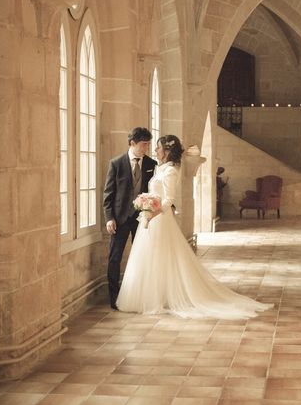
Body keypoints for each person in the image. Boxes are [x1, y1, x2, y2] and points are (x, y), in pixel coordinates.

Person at [116, 135, 272, 319]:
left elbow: (168, 200)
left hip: (159, 220)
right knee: (150, 258)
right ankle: (151, 296)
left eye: (158, 148)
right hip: (149, 219)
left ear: (166, 151)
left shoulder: (170, 171)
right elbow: (155, 194)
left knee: (162, 257)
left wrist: (152, 214)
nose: (155, 151)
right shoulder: (160, 169)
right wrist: (145, 205)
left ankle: (161, 298)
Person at [103, 127, 158, 310]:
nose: (147, 148)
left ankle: (138, 296)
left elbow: (154, 192)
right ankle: (114, 299)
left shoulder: (151, 163)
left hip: (141, 219)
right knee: (114, 258)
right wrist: (109, 218)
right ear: (132, 143)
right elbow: (108, 194)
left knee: (141, 258)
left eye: (149, 144)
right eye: (144, 144)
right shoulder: (116, 163)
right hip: (119, 219)